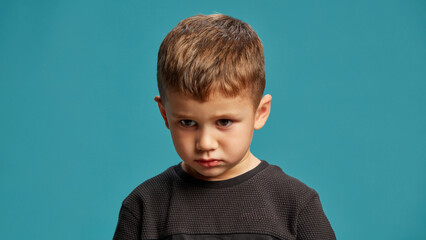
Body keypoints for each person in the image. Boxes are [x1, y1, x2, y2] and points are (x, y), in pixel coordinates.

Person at [113, 14, 336, 240]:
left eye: (224, 122)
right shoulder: (145, 206)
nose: (205, 143)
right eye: (188, 123)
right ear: (165, 114)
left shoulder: (296, 205)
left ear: (260, 112)